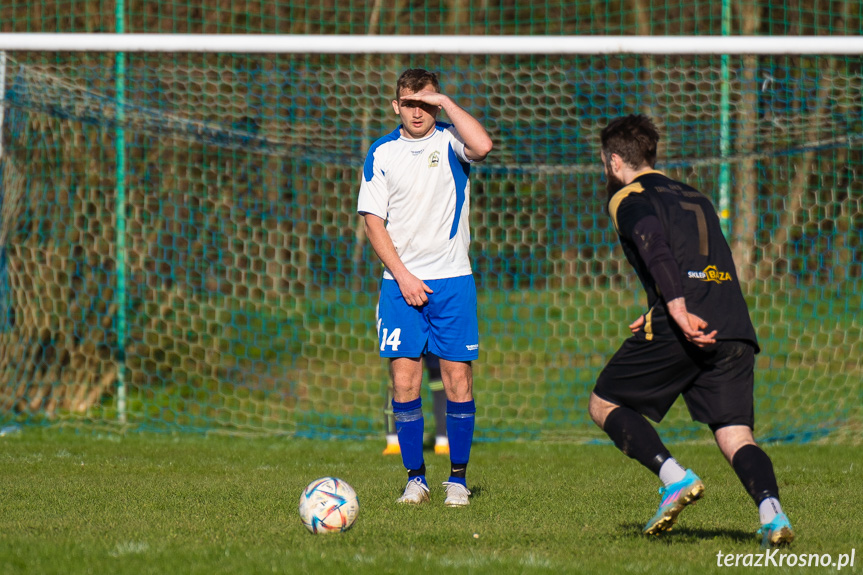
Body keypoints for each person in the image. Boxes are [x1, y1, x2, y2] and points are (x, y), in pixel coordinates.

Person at [587, 114, 794, 546]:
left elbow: (653, 243)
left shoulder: (629, 195)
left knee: (604, 402)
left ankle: (673, 477)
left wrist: (676, 309)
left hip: (688, 321)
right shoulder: (695, 196)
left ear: (613, 161)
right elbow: (703, 261)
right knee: (736, 434)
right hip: (732, 322)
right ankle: (773, 515)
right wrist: (661, 306)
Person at [357, 68, 492, 507]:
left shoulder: (451, 140)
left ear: (435, 104)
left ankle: (457, 480)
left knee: (457, 378)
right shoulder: (381, 153)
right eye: (409, 103)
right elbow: (372, 222)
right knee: (404, 381)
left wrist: (447, 103)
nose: (417, 111)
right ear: (396, 105)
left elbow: (484, 146)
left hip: (452, 280)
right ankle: (416, 478)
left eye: (426, 103)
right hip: (400, 285)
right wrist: (403, 275)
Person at [382, 351, 449, 456]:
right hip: (426, 337)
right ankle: (442, 442)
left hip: (409, 337)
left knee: (398, 382)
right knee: (398, 381)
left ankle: (394, 442)